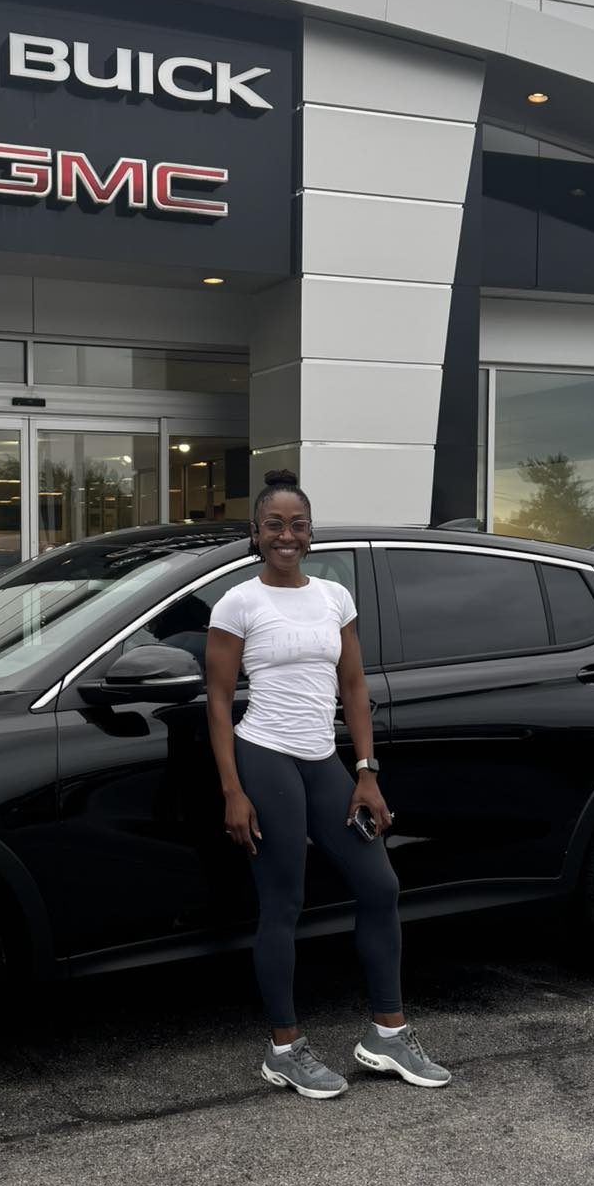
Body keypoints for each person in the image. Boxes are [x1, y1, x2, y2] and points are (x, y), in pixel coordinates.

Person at [205, 469, 450, 1100]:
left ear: (311, 534)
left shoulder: (333, 597)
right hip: (265, 757)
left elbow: (354, 687)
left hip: (323, 760)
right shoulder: (239, 603)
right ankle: (284, 1047)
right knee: (283, 902)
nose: (287, 535)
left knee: (379, 884)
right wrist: (233, 789)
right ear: (255, 534)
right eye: (274, 525)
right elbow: (219, 700)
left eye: (298, 525)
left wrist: (366, 772)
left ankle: (386, 1035)